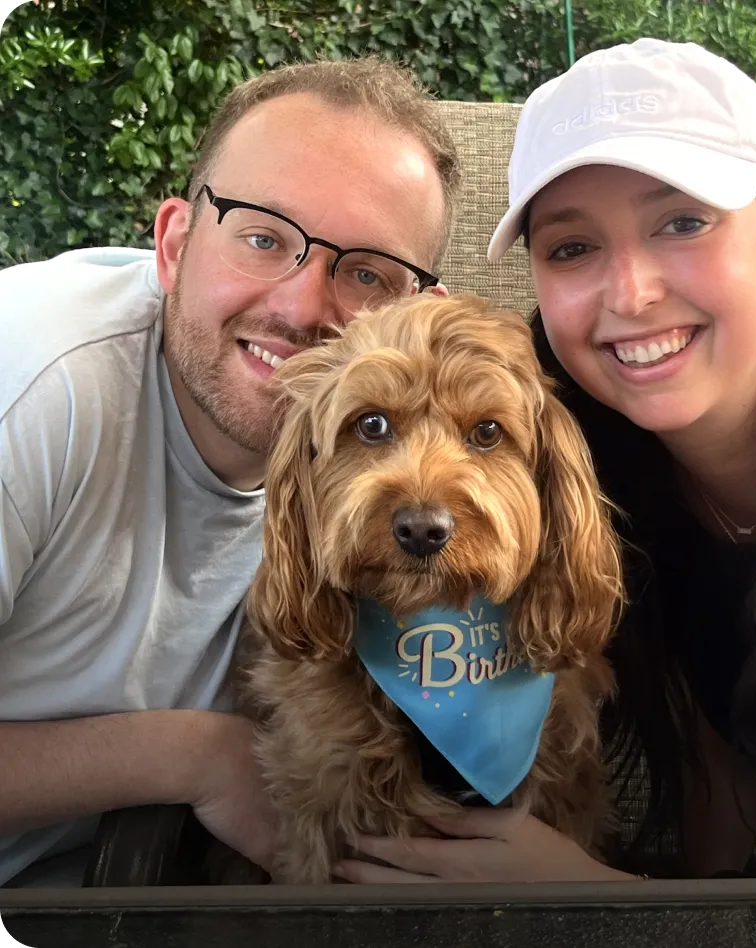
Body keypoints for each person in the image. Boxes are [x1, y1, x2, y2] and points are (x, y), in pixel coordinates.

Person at [334, 39, 756, 884]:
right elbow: (719, 745)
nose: (630, 293)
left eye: (683, 222)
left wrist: (592, 900)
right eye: (571, 248)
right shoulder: (592, 450)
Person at [0, 55, 460, 887]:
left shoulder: (403, 480)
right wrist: (191, 756)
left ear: (420, 316)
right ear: (174, 244)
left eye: (366, 272)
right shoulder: (32, 390)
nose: (302, 308)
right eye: (263, 238)